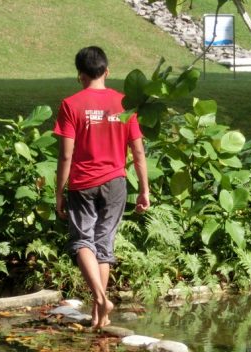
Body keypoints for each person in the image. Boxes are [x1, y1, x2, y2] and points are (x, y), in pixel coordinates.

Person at [54, 46, 150, 329]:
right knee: (103, 244)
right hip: (116, 183)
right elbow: (139, 152)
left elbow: (65, 155)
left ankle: (100, 299)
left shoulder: (70, 105)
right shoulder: (124, 104)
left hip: (82, 183)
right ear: (107, 71)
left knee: (81, 240)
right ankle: (101, 316)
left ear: (79, 76)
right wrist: (144, 189)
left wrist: (59, 192)